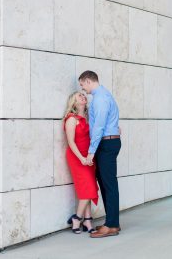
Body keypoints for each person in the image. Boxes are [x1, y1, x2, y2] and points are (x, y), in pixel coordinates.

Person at [79, 70, 122, 238]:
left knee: (109, 184)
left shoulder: (100, 98)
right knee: (105, 183)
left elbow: (98, 127)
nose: (83, 88)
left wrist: (91, 151)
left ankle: (112, 225)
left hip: (106, 143)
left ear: (88, 81)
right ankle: (111, 221)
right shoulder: (104, 95)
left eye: (82, 84)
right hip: (108, 141)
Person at [64, 92, 98, 234]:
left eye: (84, 95)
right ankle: (77, 218)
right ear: (74, 102)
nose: (83, 97)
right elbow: (71, 142)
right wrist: (81, 159)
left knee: (87, 189)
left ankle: (88, 221)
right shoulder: (71, 119)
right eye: (79, 96)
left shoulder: (89, 117)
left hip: (89, 157)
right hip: (77, 157)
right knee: (88, 187)